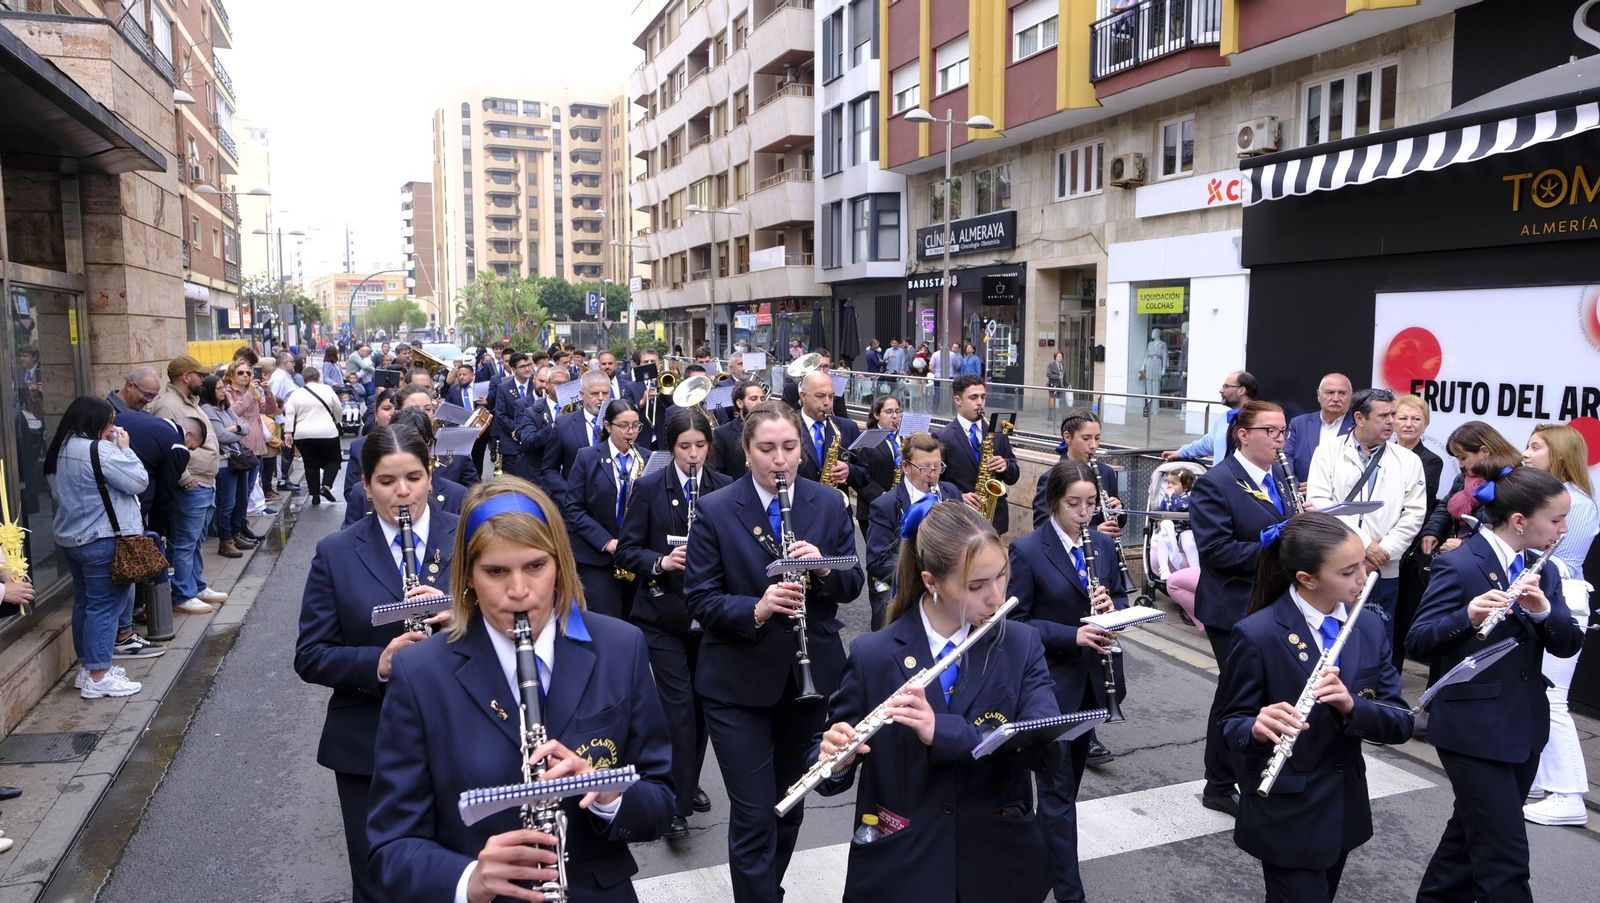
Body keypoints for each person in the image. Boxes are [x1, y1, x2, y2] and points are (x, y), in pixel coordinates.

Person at [365, 477, 675, 902]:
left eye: (535, 566)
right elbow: (390, 848)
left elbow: (661, 800)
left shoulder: (620, 647)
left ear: (560, 565)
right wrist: (470, 879)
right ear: (468, 577)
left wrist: (608, 794)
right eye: (495, 572)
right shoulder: (421, 673)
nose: (518, 591)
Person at [814, 499, 1058, 902]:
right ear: (932, 582)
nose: (996, 597)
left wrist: (940, 730)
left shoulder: (1020, 644)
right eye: (976, 586)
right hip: (903, 865)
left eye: (1001, 576)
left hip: (996, 864)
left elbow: (1045, 749)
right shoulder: (873, 654)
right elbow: (827, 758)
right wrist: (834, 761)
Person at [683, 401, 864, 903]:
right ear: (745, 452)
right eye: (767, 449)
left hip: (809, 680)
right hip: (737, 684)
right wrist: (759, 607)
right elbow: (699, 597)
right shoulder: (717, 509)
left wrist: (823, 567)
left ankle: (768, 890)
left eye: (789, 447)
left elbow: (853, 583)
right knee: (753, 812)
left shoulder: (827, 503)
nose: (779, 459)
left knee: (790, 804)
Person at [294, 421, 457, 903]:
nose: (402, 493)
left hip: (460, 729)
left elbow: (517, 621)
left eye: (413, 478)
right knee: (378, 880)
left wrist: (462, 619)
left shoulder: (471, 535)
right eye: (386, 482)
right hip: (370, 739)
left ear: (432, 476)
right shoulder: (337, 552)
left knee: (459, 871)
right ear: (365, 486)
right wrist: (380, 663)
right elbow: (311, 655)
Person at [1408, 466, 1584, 902]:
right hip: (1472, 729)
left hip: (1523, 726)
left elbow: (1567, 644)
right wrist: (1465, 617)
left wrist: (1544, 611)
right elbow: (1418, 641)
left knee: (1467, 844)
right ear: (1520, 520)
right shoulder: (1460, 562)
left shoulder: (1545, 569)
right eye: (1556, 520)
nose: (1563, 529)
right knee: (1504, 860)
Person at [1219, 513, 1414, 903]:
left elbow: (1400, 722)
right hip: (1286, 809)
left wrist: (1351, 706)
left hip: (1342, 805)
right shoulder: (1258, 634)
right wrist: (1256, 727)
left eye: (1362, 564)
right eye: (1347, 572)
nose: (1362, 578)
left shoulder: (1368, 626)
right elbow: (1229, 723)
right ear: (1307, 579)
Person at [1009, 459, 1129, 903]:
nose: (1084, 513)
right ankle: (1068, 892)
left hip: (1092, 683)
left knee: (1066, 790)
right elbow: (1015, 623)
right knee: (1058, 795)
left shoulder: (1101, 542)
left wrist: (1112, 607)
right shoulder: (1027, 550)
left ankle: (1034, 872)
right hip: (1049, 686)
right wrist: (1071, 634)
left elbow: (1118, 594)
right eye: (1073, 504)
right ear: (1053, 502)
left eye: (1091, 504)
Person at [615, 407, 730, 839]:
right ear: (671, 447)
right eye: (685, 447)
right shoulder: (648, 487)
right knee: (678, 710)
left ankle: (687, 780)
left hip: (707, 616)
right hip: (662, 615)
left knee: (701, 707)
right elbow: (628, 550)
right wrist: (661, 562)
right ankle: (675, 805)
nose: (694, 455)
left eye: (701, 446)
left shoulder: (722, 487)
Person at [1189, 400, 1293, 816]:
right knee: (1238, 694)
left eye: (1283, 431)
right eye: (1270, 431)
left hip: (1271, 601)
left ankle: (1240, 771)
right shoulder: (1217, 482)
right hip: (1232, 606)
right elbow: (1215, 552)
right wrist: (1269, 546)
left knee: (1251, 690)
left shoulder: (1280, 478)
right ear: (1242, 434)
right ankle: (1219, 782)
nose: (1279, 439)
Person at [44, 397, 149, 698]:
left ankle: (89, 669)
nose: (114, 427)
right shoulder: (99, 450)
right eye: (110, 421)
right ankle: (100, 677)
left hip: (71, 537)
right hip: (102, 539)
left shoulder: (60, 449)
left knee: (85, 604)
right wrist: (125, 449)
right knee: (105, 607)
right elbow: (138, 480)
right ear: (94, 422)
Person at [1521, 424, 1597, 826]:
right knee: (1540, 692)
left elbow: (1558, 561)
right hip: (1548, 599)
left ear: (1560, 454)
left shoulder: (1578, 504)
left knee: (1554, 699)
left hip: (1563, 602)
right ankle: (1540, 779)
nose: (1526, 453)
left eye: (1536, 447)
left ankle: (1568, 795)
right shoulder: (1557, 497)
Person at [1305, 388, 1426, 635]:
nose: (1392, 422)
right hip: (1336, 565)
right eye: (1384, 416)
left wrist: (1381, 553)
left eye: (1393, 414)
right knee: (1333, 634)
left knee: (1377, 638)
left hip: (1383, 568)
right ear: (1360, 418)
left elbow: (1414, 513)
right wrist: (1364, 546)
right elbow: (1320, 503)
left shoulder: (1408, 460)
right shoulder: (1328, 451)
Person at [148, 355, 226, 615]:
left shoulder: (190, 402)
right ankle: (183, 593)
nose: (203, 379)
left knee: (195, 540)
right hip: (192, 484)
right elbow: (167, 448)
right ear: (185, 377)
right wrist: (186, 479)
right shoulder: (167, 405)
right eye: (199, 375)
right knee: (184, 541)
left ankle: (197, 585)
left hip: (205, 482)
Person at [864, 433, 966, 631]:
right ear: (905, 466)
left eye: (937, 467)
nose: (932, 474)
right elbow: (877, 562)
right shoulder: (885, 505)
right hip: (905, 594)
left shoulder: (951, 492)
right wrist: (922, 571)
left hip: (947, 594)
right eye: (924, 468)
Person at [560, 399, 646, 619]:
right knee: (607, 621)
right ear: (608, 426)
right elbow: (573, 508)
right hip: (596, 557)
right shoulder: (587, 457)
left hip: (636, 556)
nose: (631, 432)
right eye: (624, 426)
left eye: (636, 425)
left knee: (636, 620)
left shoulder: (645, 458)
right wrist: (606, 541)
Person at [1391, 394, 1444, 672]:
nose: (1408, 424)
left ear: (1426, 424)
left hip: (1409, 549)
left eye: (1416, 419)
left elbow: (1418, 502)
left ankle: (1392, 673)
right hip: (1378, 542)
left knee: (1401, 615)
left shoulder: (1431, 460)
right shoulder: (1381, 452)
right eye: (1402, 418)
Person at [1419, 421, 1522, 555]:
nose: (1460, 465)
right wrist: (1433, 531)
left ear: (1484, 451)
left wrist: (1466, 546)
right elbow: (1446, 505)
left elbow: (1506, 531)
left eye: (1463, 457)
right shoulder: (1464, 477)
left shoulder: (1511, 480)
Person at [937, 375, 1021, 534]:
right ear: (958, 400)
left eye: (983, 397)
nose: (980, 402)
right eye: (973, 397)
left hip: (995, 518)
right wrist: (959, 496)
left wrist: (1006, 465)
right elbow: (935, 482)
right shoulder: (942, 437)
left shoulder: (997, 431)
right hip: (961, 518)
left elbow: (1014, 475)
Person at [1032, 408, 1121, 532]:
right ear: (1067, 437)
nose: (1093, 445)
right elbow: (1042, 527)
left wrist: (1118, 511)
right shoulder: (1051, 478)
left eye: (1097, 438)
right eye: (1086, 438)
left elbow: (1118, 523)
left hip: (1105, 550)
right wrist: (1095, 533)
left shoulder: (1106, 472)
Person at [199, 375, 253, 559]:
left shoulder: (224, 408)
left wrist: (235, 428)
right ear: (209, 391)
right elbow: (220, 436)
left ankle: (236, 534)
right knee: (227, 503)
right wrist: (236, 429)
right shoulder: (207, 409)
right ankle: (226, 540)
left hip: (237, 459)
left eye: (223, 387)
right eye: (219, 388)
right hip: (224, 462)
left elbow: (246, 426)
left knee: (242, 500)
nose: (224, 391)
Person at [1164, 370, 1258, 463]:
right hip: (1222, 477)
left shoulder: (1260, 420)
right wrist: (1181, 453)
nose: (1221, 390)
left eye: (1226, 386)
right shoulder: (1223, 418)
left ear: (1241, 390)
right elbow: (1208, 444)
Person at [795, 369, 865, 492]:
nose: (828, 403)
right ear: (804, 396)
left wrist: (849, 470)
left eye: (831, 396)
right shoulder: (786, 425)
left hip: (837, 506)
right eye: (820, 396)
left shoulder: (848, 427)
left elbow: (865, 474)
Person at [282, 368, 343, 506]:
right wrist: (337, 421)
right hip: (327, 432)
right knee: (334, 460)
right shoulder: (327, 389)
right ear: (318, 377)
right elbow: (338, 408)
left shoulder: (296, 394)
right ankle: (326, 486)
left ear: (304, 379)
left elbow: (290, 413)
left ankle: (315, 495)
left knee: (310, 464)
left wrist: (288, 433)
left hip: (303, 434)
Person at [1283, 373, 1354, 484]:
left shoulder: (1359, 427)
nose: (1336, 398)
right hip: (1301, 496)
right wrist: (1296, 486)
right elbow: (1285, 458)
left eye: (1342, 393)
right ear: (1318, 395)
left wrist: (1318, 488)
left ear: (1351, 397)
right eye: (1330, 392)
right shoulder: (1299, 424)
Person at [553, 370, 614, 486]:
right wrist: (568, 494)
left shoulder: (618, 421)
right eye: (595, 394)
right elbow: (550, 469)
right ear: (582, 394)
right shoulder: (563, 424)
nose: (601, 398)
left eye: (605, 393)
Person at [856, 395, 904, 538]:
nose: (895, 416)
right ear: (876, 415)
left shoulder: (906, 438)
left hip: (903, 509)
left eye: (897, 411)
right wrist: (886, 498)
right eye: (889, 412)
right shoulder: (866, 440)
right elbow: (861, 477)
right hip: (874, 509)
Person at [343, 389, 397, 503]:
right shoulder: (359, 447)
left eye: (397, 409)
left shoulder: (417, 445)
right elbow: (350, 492)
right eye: (387, 408)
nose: (392, 413)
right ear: (376, 414)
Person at [712, 381, 764, 480]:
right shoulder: (722, 433)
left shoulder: (771, 429)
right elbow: (717, 473)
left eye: (762, 398)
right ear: (740, 403)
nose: (760, 403)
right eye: (753, 399)